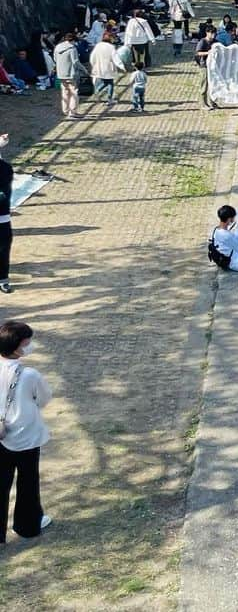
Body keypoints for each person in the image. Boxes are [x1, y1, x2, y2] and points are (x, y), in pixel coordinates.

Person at [0, 319, 52, 542]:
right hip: (26, 436)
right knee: (28, 481)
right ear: (19, 346)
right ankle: (27, 525)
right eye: (27, 341)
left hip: (1, 436)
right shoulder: (29, 374)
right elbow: (43, 399)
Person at [53, 33, 87, 121]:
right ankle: (73, 112)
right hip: (71, 74)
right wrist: (84, 69)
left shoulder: (57, 47)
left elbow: (55, 59)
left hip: (60, 74)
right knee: (74, 92)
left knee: (65, 91)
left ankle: (65, 110)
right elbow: (75, 62)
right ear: (73, 40)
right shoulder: (72, 49)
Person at [89, 32, 124, 106]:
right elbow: (115, 58)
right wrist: (121, 66)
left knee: (105, 82)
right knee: (110, 83)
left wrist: (93, 65)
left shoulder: (98, 45)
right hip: (109, 68)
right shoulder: (111, 47)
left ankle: (97, 91)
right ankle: (109, 99)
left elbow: (92, 57)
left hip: (99, 67)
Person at [0, 133, 12, 294]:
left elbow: (4, 194)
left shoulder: (4, 169)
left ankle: (3, 279)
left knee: (2, 249)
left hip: (2, 217)